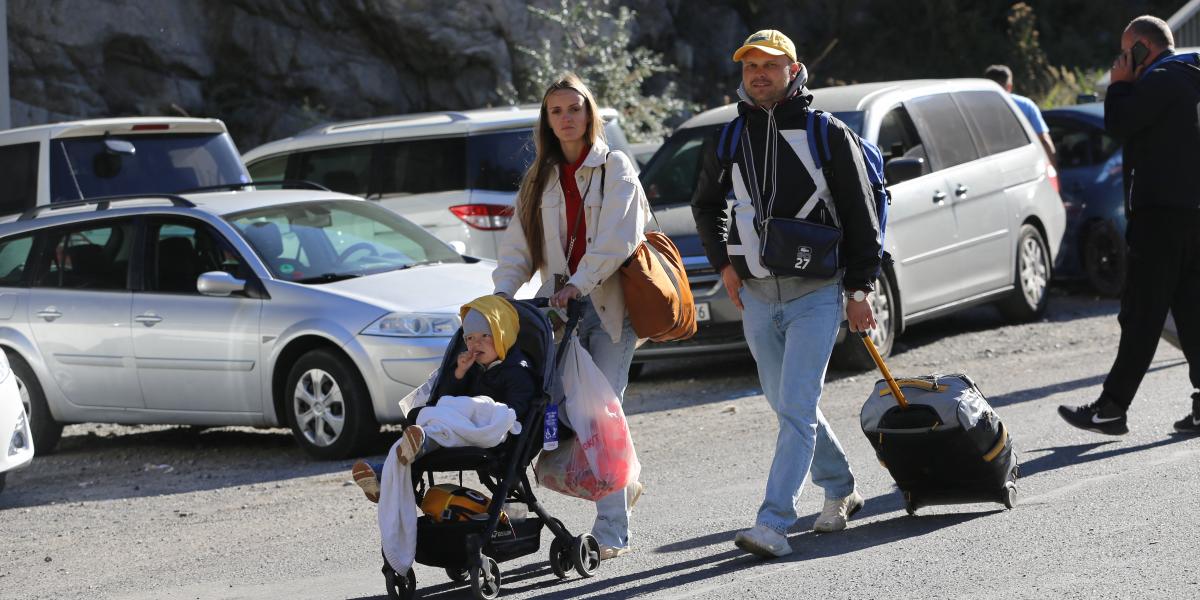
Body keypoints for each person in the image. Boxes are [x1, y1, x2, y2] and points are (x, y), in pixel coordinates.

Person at [691, 29, 882, 559]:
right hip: (755, 294)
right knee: (787, 406)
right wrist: (725, 267)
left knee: (797, 405)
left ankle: (773, 521)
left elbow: (861, 215)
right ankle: (841, 487)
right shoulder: (728, 138)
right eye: (750, 65)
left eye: (770, 65)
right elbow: (705, 205)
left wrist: (861, 287)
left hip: (817, 292)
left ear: (793, 71)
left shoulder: (826, 134)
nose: (758, 73)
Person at [491, 73, 649, 560]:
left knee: (602, 415)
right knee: (554, 413)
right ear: (547, 120)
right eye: (555, 111)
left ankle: (611, 531)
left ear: (589, 113)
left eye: (574, 109)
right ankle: (622, 481)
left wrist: (580, 282)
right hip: (556, 314)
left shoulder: (615, 167)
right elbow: (519, 248)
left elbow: (620, 238)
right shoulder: (539, 177)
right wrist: (500, 296)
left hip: (608, 309)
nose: (565, 118)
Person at [1058, 16, 1200, 436]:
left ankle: (1111, 408)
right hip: (1194, 214)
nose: (1120, 60)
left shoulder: (1157, 81)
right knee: (1192, 313)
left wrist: (1119, 84)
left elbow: (1118, 124)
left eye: (1125, 52)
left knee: (1141, 314)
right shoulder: (1193, 72)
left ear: (1141, 48)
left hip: (1161, 217)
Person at [350, 295, 538, 501]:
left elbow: (515, 411)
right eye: (470, 338)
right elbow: (444, 400)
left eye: (485, 335)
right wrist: (459, 373)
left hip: (495, 435)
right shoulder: (471, 367)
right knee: (419, 415)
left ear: (503, 335)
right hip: (462, 425)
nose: (476, 344)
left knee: (435, 431)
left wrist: (482, 411)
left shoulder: (518, 371)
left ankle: (395, 466)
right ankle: (386, 477)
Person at [983, 64, 1057, 165]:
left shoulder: (971, 107)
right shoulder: (1025, 105)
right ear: (1009, 86)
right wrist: (1053, 170)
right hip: (1024, 166)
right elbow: (1044, 141)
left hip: (990, 167)